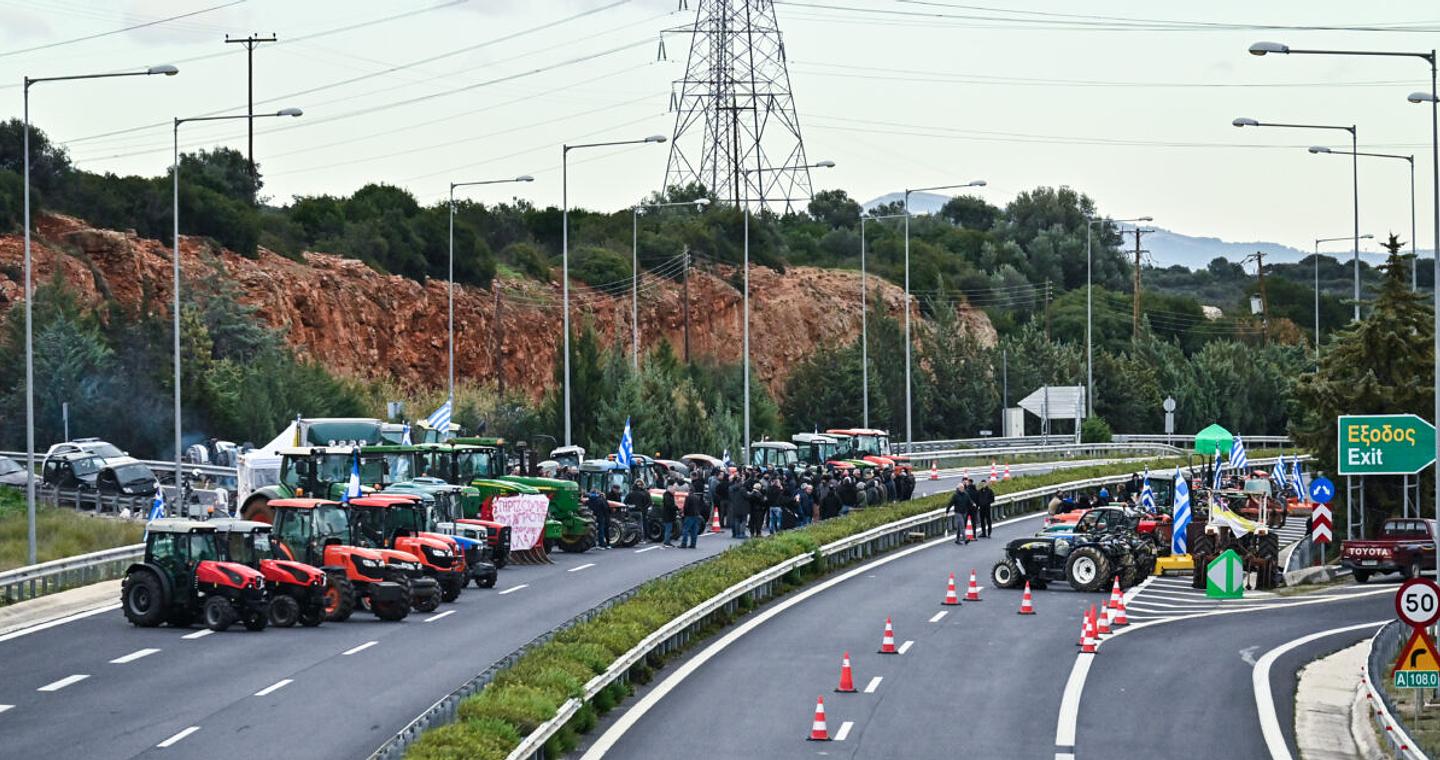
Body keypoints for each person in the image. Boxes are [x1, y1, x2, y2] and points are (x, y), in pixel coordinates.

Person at [727, 474, 749, 538]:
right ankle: (742, 533)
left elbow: (730, 496)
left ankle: (736, 533)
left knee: (736, 520)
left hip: (734, 505)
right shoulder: (742, 489)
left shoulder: (730, 488)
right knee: (743, 520)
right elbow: (747, 496)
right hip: (743, 506)